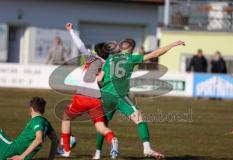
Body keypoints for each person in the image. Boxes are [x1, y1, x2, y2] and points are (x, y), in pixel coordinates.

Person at [93, 38, 185, 160]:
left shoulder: (110, 59)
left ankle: (97, 154)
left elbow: (99, 80)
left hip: (105, 95)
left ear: (121, 47)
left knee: (103, 125)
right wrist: (173, 44)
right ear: (131, 49)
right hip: (120, 96)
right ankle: (147, 148)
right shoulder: (131, 58)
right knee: (140, 120)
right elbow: (155, 54)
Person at [57, 23, 118, 159]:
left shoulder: (91, 57)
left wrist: (71, 30)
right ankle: (112, 138)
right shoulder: (107, 64)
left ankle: (66, 150)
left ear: (96, 52)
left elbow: (80, 45)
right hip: (96, 100)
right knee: (100, 127)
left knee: (66, 118)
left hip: (82, 97)